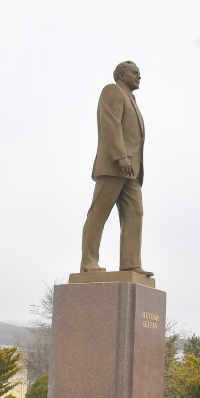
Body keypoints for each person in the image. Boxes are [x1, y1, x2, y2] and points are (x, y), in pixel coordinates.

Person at [80, 61, 152, 277]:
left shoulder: (132, 99)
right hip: (114, 164)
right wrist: (120, 156)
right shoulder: (112, 91)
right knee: (99, 213)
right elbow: (110, 124)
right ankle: (89, 262)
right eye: (135, 73)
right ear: (121, 74)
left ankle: (131, 264)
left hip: (133, 170)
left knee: (135, 212)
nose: (139, 77)